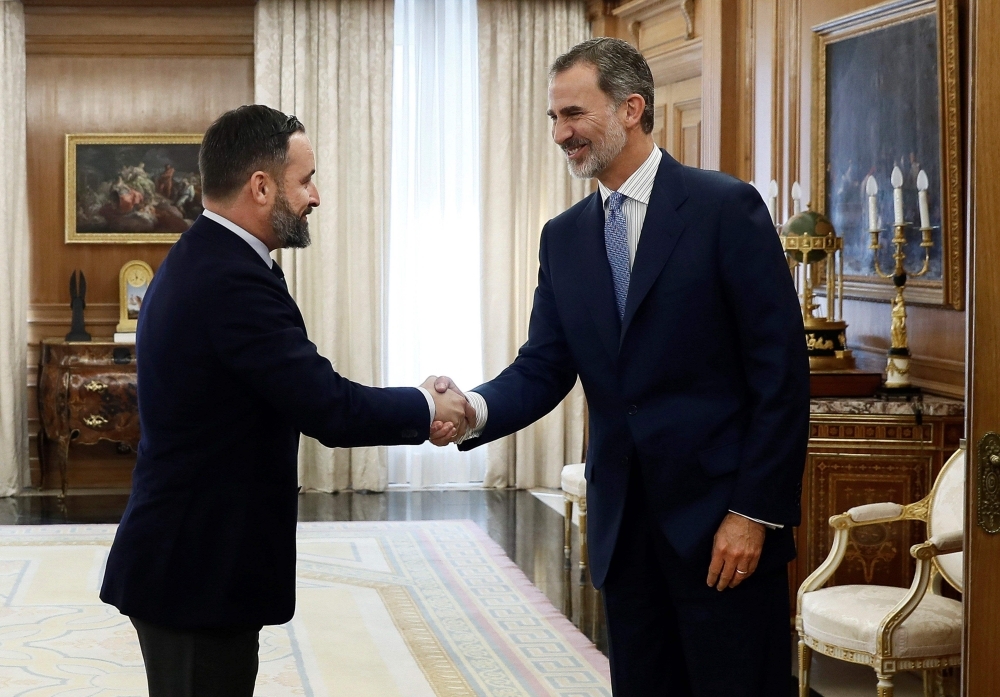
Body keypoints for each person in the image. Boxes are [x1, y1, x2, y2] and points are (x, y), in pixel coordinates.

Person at [441, 38, 809, 696]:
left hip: (723, 531)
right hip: (624, 541)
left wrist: (754, 514)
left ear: (632, 107)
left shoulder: (726, 209)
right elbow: (544, 367)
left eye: (573, 115)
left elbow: (781, 378)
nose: (560, 134)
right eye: (553, 119)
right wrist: (473, 407)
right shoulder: (564, 237)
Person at [100, 105, 471, 697]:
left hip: (192, 557)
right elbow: (327, 407)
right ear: (262, 185)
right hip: (196, 567)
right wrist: (428, 406)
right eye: (306, 179)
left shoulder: (214, 257)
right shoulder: (230, 278)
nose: (315, 196)